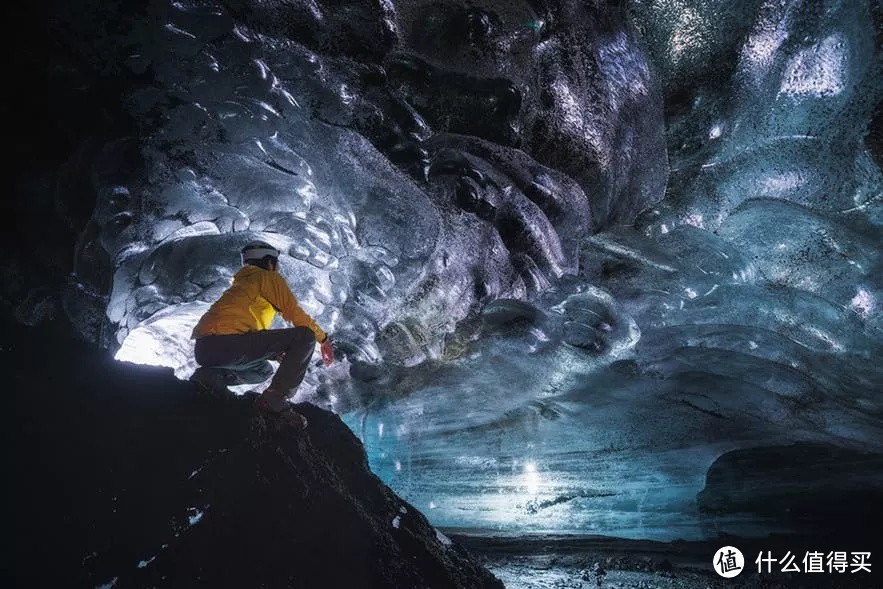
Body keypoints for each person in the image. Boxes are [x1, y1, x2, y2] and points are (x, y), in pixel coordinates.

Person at [190, 241, 334, 415]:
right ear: (269, 262)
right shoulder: (267, 277)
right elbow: (295, 314)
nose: (278, 268)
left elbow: (241, 329)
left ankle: (209, 379)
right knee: (304, 336)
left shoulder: (242, 284)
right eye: (277, 263)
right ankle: (274, 399)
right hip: (227, 345)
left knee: (263, 370)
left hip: (205, 350)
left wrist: (273, 352)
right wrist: (323, 339)